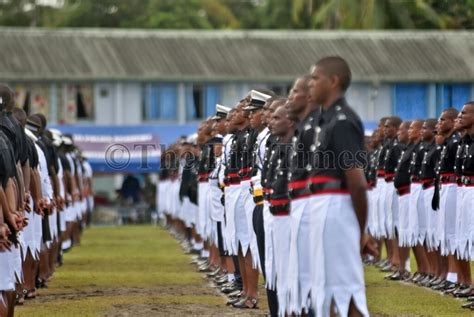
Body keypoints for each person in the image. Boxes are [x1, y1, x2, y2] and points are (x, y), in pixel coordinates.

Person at [307, 56, 369, 317]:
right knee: (328, 289)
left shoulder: (343, 121)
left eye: (315, 78)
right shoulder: (327, 121)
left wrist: (361, 230)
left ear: (333, 81)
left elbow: (357, 182)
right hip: (324, 207)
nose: (310, 84)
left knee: (346, 290)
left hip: (337, 208)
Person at [266, 103, 295, 316]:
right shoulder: (279, 145)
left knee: (289, 270)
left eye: (277, 118)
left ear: (290, 121)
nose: (271, 121)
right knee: (278, 268)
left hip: (289, 214)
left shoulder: (296, 146)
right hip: (276, 211)